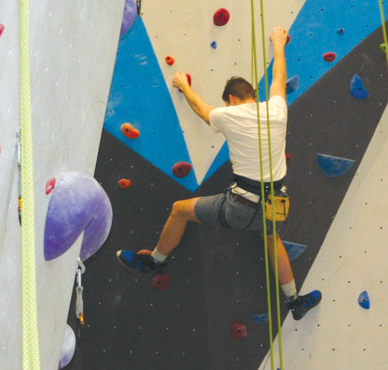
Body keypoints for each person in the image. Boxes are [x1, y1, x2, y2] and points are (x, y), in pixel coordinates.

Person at [116, 26, 321, 321]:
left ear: (232, 99)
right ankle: (294, 300)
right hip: (275, 206)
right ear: (252, 95)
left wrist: (183, 85)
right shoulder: (278, 110)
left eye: (226, 102)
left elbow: (200, 107)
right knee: (271, 238)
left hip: (240, 207)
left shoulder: (229, 114)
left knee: (179, 210)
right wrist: (278, 44)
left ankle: (155, 261)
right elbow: (278, 78)